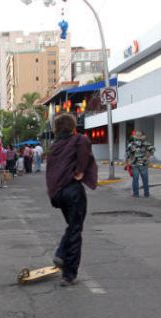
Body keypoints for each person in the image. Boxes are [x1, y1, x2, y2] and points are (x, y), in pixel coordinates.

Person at [45, 113, 98, 287]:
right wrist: (80, 172)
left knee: (72, 227)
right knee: (76, 231)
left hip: (58, 194)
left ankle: (62, 256)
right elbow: (84, 157)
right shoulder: (79, 140)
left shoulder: (55, 146)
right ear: (73, 127)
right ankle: (68, 273)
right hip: (73, 191)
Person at [125, 130, 155, 198]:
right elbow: (152, 149)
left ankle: (136, 194)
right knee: (145, 180)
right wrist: (147, 156)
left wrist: (128, 163)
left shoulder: (131, 144)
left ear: (135, 137)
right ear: (141, 137)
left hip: (134, 164)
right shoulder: (146, 143)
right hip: (144, 164)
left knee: (135, 180)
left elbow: (127, 155)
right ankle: (146, 194)